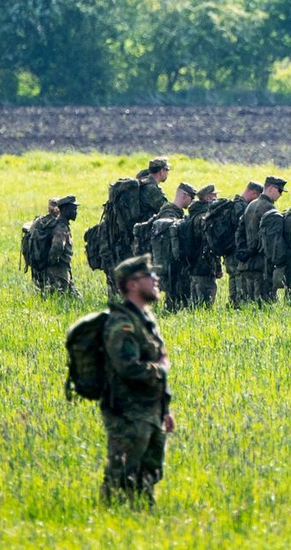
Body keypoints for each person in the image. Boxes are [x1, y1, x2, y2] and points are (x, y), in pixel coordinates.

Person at [100, 255, 174, 506]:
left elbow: (156, 363)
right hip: (128, 412)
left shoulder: (146, 320)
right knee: (122, 474)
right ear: (132, 284)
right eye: (148, 276)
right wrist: (160, 369)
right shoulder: (122, 324)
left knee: (149, 473)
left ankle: (143, 517)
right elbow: (128, 368)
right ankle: (108, 517)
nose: (155, 280)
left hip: (151, 410)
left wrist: (165, 408)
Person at [241, 176, 286, 304]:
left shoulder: (250, 205)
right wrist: (278, 261)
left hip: (248, 262)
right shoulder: (269, 208)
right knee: (265, 302)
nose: (281, 195)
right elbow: (273, 241)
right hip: (263, 264)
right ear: (271, 188)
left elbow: (240, 231)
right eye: (280, 191)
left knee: (249, 302)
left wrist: (245, 251)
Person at [154, 182, 195, 312]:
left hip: (171, 264)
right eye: (191, 198)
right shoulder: (169, 215)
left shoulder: (172, 213)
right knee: (174, 298)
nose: (192, 201)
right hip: (171, 265)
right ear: (184, 196)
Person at [225, 181, 262, 308]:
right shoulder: (243, 208)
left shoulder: (231, 204)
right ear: (254, 193)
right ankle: (238, 308)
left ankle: (232, 306)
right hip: (238, 253)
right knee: (240, 285)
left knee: (232, 281)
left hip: (228, 252)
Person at [186, 184, 220, 308]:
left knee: (194, 305)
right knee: (205, 305)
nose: (216, 198)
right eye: (214, 195)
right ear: (207, 198)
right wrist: (218, 267)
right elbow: (210, 244)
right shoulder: (205, 218)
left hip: (193, 266)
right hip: (205, 266)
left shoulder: (192, 215)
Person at [45, 195, 80, 295]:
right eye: (73, 209)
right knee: (60, 296)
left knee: (75, 298)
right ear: (64, 210)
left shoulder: (63, 225)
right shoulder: (60, 228)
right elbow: (57, 247)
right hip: (59, 272)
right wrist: (54, 267)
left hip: (64, 270)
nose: (76, 212)